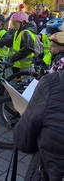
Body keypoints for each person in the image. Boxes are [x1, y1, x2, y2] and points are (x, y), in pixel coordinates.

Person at [13, 32, 64, 180]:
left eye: (53, 46)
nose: (50, 49)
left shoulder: (53, 81)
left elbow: (24, 141)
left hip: (47, 170)